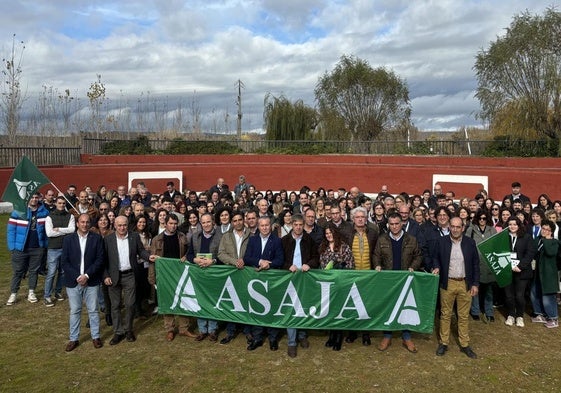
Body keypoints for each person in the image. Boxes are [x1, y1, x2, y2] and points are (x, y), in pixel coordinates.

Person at [374, 212, 422, 353]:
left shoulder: (411, 240)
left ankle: (406, 336)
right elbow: (376, 255)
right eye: (392, 224)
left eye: (397, 223)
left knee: (405, 308)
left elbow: (418, 255)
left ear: (402, 223)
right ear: (388, 224)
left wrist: (413, 266)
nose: (394, 227)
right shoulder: (382, 239)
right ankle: (387, 335)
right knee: (389, 307)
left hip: (405, 279)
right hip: (388, 280)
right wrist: (377, 264)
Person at [433, 217, 480, 359]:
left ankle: (465, 344)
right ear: (449, 227)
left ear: (463, 228)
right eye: (452, 226)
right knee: (445, 314)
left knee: (463, 316)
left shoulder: (470, 243)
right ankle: (444, 342)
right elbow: (435, 258)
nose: (455, 229)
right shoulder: (441, 242)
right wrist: (436, 267)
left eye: (458, 227)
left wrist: (475, 284)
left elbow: (475, 264)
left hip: (465, 283)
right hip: (448, 283)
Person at [103, 215, 153, 345]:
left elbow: (141, 251)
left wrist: (149, 257)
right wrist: (106, 276)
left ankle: (129, 330)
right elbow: (103, 260)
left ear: (127, 225)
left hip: (130, 275)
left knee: (130, 304)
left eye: (124, 225)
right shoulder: (108, 240)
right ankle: (118, 332)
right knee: (115, 306)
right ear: (114, 225)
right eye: (119, 225)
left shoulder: (134, 236)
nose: (122, 227)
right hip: (113, 276)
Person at [61, 213, 105, 352]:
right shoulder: (68, 239)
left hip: (91, 281)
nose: (85, 224)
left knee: (93, 310)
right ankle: (73, 339)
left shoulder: (96, 239)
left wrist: (86, 275)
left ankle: (96, 336)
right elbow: (65, 261)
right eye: (82, 222)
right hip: (73, 282)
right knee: (75, 311)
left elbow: (100, 259)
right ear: (77, 223)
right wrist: (77, 277)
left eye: (87, 222)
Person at [150, 214, 195, 341]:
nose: (173, 226)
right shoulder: (157, 239)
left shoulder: (182, 237)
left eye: (175, 223)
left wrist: (186, 256)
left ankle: (184, 328)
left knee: (183, 300)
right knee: (167, 301)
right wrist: (152, 278)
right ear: (165, 224)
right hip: (164, 275)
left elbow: (188, 252)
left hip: (180, 273)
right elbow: (152, 260)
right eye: (171, 223)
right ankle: (169, 329)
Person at [243, 216, 284, 351]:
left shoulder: (277, 241)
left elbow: (280, 259)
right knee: (257, 309)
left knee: (272, 309)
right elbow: (247, 258)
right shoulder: (253, 240)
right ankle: (258, 338)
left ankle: (273, 338)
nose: (265, 228)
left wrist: (269, 264)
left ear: (270, 226)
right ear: (258, 227)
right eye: (262, 225)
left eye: (267, 225)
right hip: (256, 281)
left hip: (272, 281)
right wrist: (260, 262)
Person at [281, 214, 319, 357]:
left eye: (300, 225)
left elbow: (316, 258)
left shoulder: (310, 240)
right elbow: (279, 260)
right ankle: (292, 342)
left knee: (303, 307)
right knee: (291, 308)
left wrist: (309, 264)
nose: (298, 227)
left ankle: (302, 334)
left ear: (304, 225)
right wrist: (287, 266)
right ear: (291, 225)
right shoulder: (284, 241)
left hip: (304, 278)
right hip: (289, 278)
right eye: (295, 225)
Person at [6, 192, 49, 305]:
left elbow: (47, 230)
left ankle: (31, 292)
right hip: (20, 248)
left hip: (37, 248)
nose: (34, 200)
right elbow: (11, 230)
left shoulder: (44, 212)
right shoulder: (18, 211)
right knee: (18, 271)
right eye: (32, 197)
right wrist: (12, 247)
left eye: (36, 197)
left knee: (33, 271)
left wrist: (44, 245)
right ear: (28, 199)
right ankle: (14, 293)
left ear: (39, 198)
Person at [187, 212, 223, 342]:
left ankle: (212, 330)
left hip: (214, 274)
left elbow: (223, 256)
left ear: (213, 222)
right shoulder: (195, 236)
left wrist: (212, 261)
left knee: (212, 301)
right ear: (200, 224)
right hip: (199, 274)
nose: (206, 224)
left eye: (209, 222)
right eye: (204, 222)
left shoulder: (220, 237)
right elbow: (189, 254)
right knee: (201, 301)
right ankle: (202, 330)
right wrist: (195, 260)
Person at [217, 210, 252, 344]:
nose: (237, 223)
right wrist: (234, 261)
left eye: (239, 220)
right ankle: (230, 332)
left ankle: (247, 331)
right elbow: (221, 253)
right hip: (231, 274)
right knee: (232, 303)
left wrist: (244, 260)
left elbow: (253, 252)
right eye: (235, 220)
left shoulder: (251, 235)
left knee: (246, 302)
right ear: (232, 222)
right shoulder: (226, 236)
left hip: (246, 273)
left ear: (243, 220)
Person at [319, 224, 355, 351]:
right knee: (331, 311)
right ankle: (332, 335)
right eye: (327, 233)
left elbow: (351, 265)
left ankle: (339, 336)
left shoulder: (344, 247)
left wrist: (340, 268)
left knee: (339, 311)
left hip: (341, 284)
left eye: (331, 232)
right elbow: (322, 266)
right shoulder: (323, 248)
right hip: (328, 285)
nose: (329, 235)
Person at [464, 210, 497, 321]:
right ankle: (475, 311)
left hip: (488, 264)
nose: (482, 220)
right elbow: (467, 245)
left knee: (488, 290)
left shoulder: (492, 230)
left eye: (484, 218)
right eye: (480, 218)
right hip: (475, 264)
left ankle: (489, 312)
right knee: (475, 289)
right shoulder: (471, 230)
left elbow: (496, 244)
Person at [503, 217, 535, 328]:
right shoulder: (503, 237)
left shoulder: (526, 237)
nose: (512, 226)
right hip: (507, 271)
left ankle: (520, 316)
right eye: (510, 224)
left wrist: (520, 266)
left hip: (522, 271)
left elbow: (530, 253)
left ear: (519, 225)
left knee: (519, 296)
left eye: (514, 224)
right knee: (508, 296)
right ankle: (511, 315)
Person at [44, 196, 76, 306]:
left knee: (62, 272)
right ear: (56, 203)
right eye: (59, 203)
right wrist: (65, 231)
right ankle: (47, 295)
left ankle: (57, 292)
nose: (62, 205)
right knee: (52, 272)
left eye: (63, 203)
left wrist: (59, 229)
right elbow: (49, 233)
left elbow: (72, 230)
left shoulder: (70, 216)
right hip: (53, 248)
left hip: (66, 248)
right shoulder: (50, 217)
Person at [530, 220, 560, 328]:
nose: (544, 231)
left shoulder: (554, 242)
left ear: (551, 231)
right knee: (534, 293)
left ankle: (553, 318)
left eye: (547, 230)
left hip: (548, 274)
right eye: (543, 228)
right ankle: (539, 314)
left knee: (547, 296)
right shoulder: (538, 240)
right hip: (537, 272)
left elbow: (550, 252)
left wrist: (547, 240)